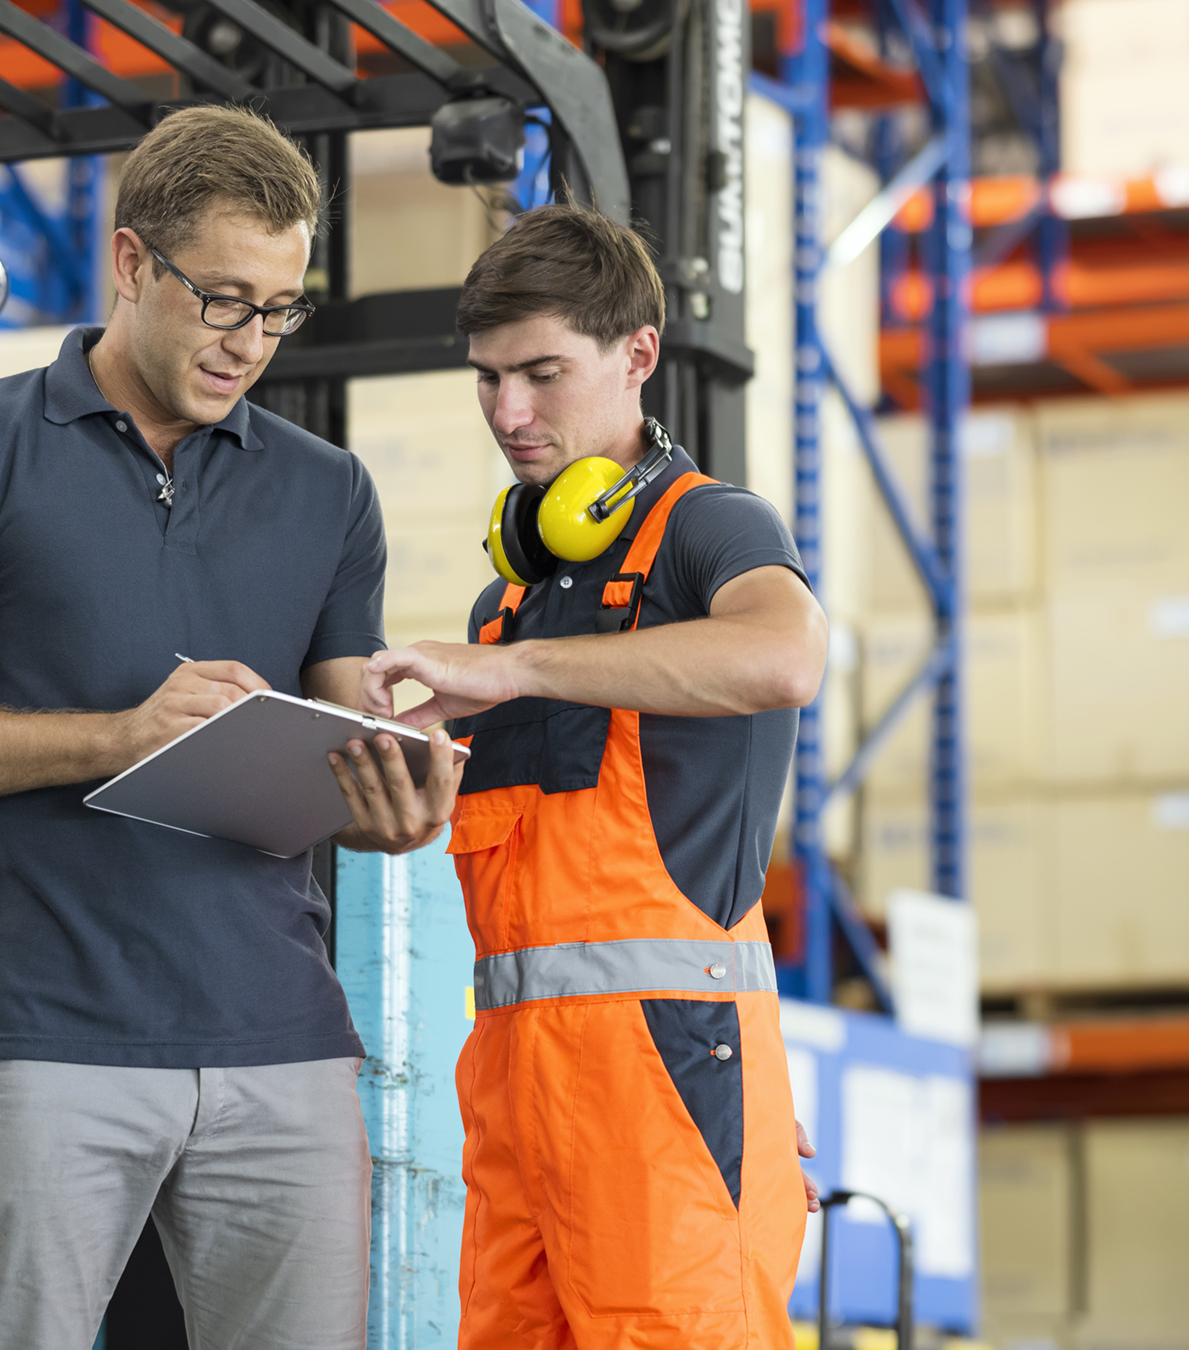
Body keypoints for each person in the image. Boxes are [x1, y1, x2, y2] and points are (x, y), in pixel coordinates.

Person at [0, 104, 461, 1350]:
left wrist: (393, 799)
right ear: (130, 263)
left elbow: (337, 735)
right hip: (52, 1041)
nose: (251, 343)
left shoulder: (328, 491)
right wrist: (120, 737)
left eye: (280, 309)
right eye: (224, 299)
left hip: (284, 1046)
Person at [359, 203, 828, 1350]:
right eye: (486, 380)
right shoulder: (510, 597)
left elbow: (786, 654)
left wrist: (514, 671)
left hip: (668, 1081)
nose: (509, 414)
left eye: (542, 374)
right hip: (519, 1091)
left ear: (638, 356)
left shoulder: (708, 529)